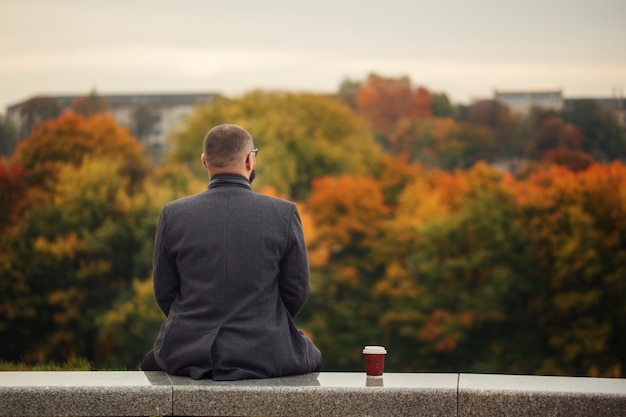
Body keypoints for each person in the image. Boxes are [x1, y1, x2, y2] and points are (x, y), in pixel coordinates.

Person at [141, 123, 322, 380]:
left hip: (186, 351)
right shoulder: (283, 213)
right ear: (250, 160)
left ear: (205, 162)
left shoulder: (173, 214)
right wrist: (265, 319)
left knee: (151, 361)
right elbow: (297, 289)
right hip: (265, 350)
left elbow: (165, 291)